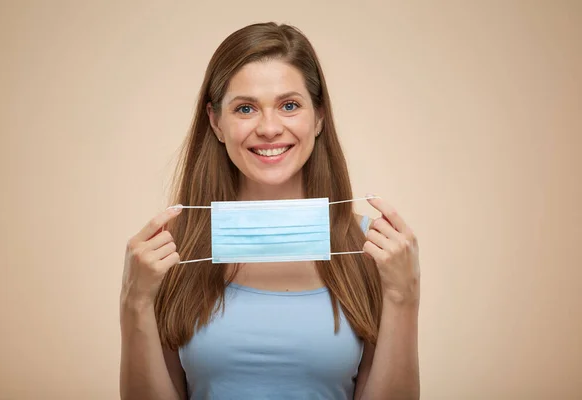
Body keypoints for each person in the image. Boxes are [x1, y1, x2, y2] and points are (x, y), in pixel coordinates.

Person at [119, 22, 421, 400]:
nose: (269, 128)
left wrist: (403, 295)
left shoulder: (373, 250)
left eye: (289, 105)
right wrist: (135, 301)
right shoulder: (171, 254)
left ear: (319, 117)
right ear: (216, 122)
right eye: (245, 108)